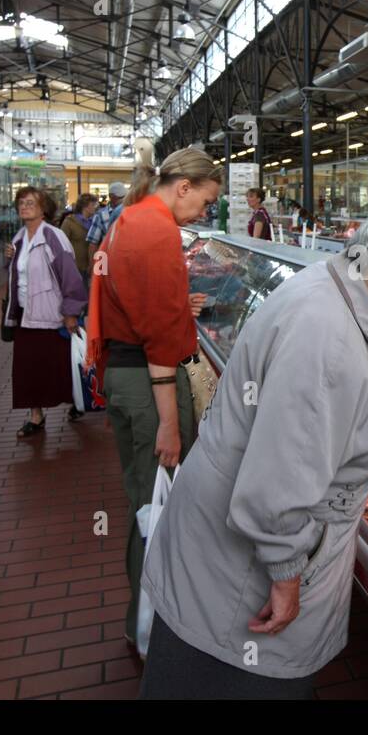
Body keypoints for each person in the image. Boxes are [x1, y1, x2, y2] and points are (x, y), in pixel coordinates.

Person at [140, 202, 368, 698]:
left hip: (210, 554)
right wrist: (287, 575)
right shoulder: (329, 339)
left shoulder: (326, 287)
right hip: (238, 582)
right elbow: (278, 483)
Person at [87, 148, 222, 648]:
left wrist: (173, 306)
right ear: (183, 187)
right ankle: (153, 630)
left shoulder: (131, 216)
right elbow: (161, 347)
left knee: (146, 499)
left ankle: (149, 618)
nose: (204, 214)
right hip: (147, 383)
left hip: (124, 374)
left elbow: (131, 299)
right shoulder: (157, 228)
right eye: (206, 202)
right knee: (159, 505)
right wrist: (169, 421)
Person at [3, 187, 87, 437]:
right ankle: (36, 416)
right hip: (25, 315)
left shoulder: (53, 236)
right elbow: (16, 275)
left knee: (61, 366)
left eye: (31, 202)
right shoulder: (18, 239)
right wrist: (8, 260)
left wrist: (71, 311)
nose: (25, 206)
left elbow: (70, 277)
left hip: (52, 316)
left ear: (44, 208)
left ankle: (77, 400)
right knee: (28, 370)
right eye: (21, 202)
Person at [61, 193, 99, 277]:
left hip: (93, 266)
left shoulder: (96, 221)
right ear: (85, 206)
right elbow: (62, 244)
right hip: (76, 266)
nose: (95, 207)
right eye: (92, 205)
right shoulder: (69, 222)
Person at [86, 181, 127, 251]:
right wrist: (94, 262)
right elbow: (93, 243)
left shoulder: (129, 212)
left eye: (124, 197)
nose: (123, 200)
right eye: (120, 197)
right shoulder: (101, 215)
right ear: (111, 197)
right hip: (108, 257)